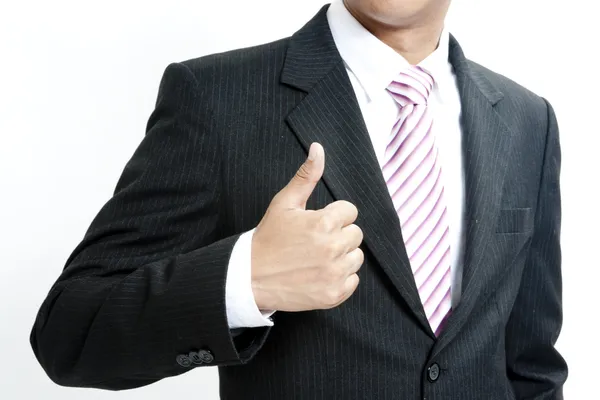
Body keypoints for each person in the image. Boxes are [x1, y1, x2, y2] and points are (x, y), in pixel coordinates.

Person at [30, 0, 568, 398]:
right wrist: (246, 280)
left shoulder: (527, 120)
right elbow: (69, 332)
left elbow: (531, 365)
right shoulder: (217, 98)